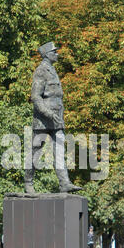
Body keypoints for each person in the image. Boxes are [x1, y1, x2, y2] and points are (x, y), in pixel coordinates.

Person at [24, 41, 82, 193]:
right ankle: (28, 182)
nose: (57, 54)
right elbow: (35, 97)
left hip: (57, 118)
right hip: (43, 119)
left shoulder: (52, 70)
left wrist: (57, 115)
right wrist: (48, 113)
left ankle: (64, 183)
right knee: (36, 151)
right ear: (47, 54)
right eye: (54, 52)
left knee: (60, 150)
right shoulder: (41, 70)